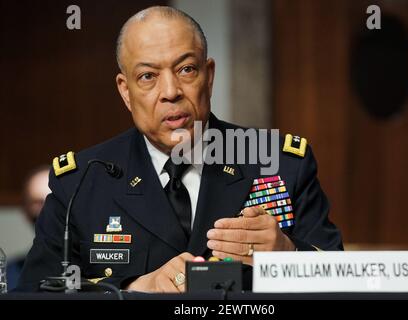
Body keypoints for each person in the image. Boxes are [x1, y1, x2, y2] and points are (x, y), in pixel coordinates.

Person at [17, 6, 342, 293]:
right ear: (125, 91)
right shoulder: (82, 180)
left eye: (186, 69)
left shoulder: (276, 161)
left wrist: (289, 257)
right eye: (148, 76)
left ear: (209, 76)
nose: (170, 91)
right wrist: (131, 289)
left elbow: (342, 283)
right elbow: (36, 291)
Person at [6, 166, 50, 290]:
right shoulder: (9, 275)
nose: (47, 209)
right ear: (25, 211)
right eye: (38, 202)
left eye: (54, 199)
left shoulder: (97, 272)